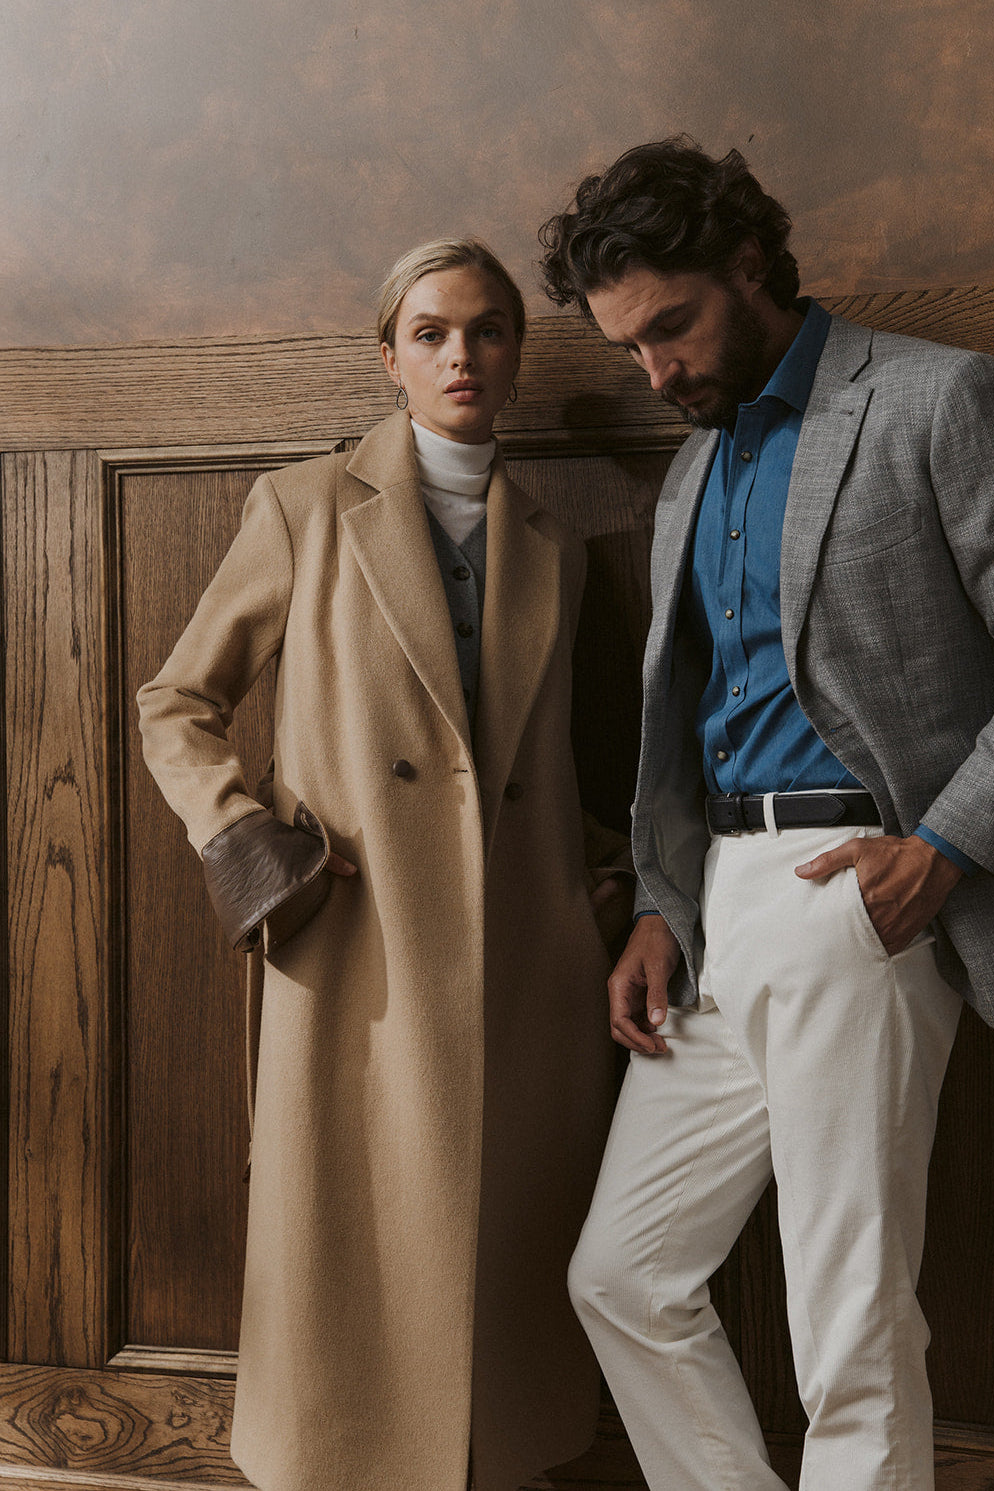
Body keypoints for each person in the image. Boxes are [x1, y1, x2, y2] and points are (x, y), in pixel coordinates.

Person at [538, 138, 994, 1491]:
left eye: (672, 325)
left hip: (859, 886)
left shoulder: (935, 398)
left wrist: (945, 846)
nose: (658, 372)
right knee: (623, 1275)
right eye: (629, 346)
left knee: (848, 1314)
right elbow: (689, 721)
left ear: (749, 265)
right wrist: (666, 907)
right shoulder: (691, 474)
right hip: (720, 901)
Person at [138, 238, 632, 1491]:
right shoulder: (304, 506)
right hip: (358, 942)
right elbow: (176, 703)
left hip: (527, 956)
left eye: (489, 330)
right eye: (431, 332)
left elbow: (550, 762)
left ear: (516, 354)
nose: (462, 355)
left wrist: (605, 894)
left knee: (509, 1243)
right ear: (389, 356)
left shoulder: (555, 545)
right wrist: (244, 838)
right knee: (349, 1242)